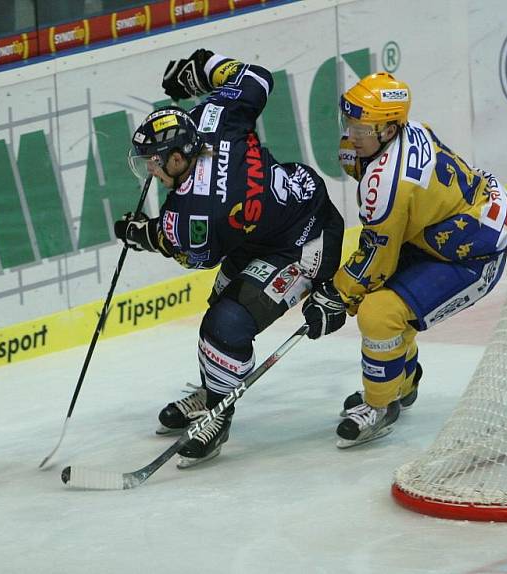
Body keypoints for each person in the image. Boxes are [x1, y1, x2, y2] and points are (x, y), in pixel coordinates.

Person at [114, 49, 343, 467]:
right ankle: (214, 389)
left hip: (303, 239)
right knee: (221, 307)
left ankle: (219, 414)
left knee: (224, 327)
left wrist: (140, 233)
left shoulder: (194, 213)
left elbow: (193, 254)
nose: (150, 168)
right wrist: (203, 68)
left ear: (178, 157)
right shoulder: (210, 118)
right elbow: (256, 75)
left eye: (155, 160)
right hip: (267, 227)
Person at [301, 72, 507, 448]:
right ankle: (402, 383)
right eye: (350, 124)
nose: (351, 136)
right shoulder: (411, 129)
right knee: (385, 306)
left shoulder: (388, 184)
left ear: (388, 130)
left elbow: (377, 258)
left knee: (379, 313)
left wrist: (337, 294)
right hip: (452, 232)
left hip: (471, 259)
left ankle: (380, 404)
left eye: (361, 128)